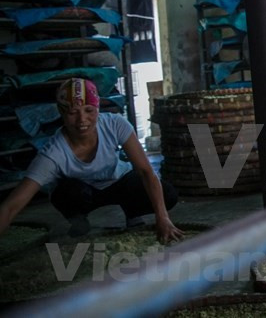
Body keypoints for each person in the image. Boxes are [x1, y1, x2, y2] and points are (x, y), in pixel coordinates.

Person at [0, 78, 183, 243]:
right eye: (73, 112)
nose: (82, 120)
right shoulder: (54, 152)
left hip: (118, 184)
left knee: (167, 194)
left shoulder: (115, 124)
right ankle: (80, 221)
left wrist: (163, 218)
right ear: (61, 113)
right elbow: (12, 205)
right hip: (84, 194)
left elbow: (146, 171)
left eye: (89, 110)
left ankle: (132, 213)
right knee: (65, 192)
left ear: (98, 108)